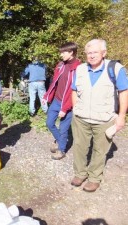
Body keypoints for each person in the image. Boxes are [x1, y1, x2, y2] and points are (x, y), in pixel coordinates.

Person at [71, 39, 128, 192]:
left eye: (95, 52)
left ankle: (94, 178)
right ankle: (80, 173)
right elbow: (74, 90)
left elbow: (124, 92)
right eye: (88, 53)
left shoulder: (116, 69)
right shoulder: (80, 69)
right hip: (81, 118)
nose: (91, 56)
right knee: (79, 147)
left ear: (104, 53)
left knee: (99, 150)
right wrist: (76, 108)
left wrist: (121, 116)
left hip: (104, 119)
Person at [43, 42, 81, 160]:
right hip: (56, 101)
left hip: (68, 104)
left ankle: (61, 150)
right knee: (49, 123)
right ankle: (61, 142)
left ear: (71, 52)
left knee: (63, 128)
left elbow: (74, 91)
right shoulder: (60, 65)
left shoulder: (79, 68)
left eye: (63, 52)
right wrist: (47, 96)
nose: (61, 55)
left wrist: (65, 108)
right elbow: (54, 82)